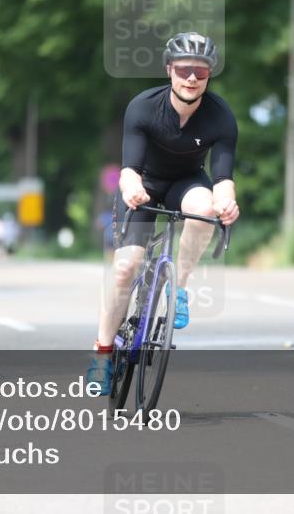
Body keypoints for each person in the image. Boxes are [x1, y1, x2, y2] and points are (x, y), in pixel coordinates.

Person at [87, 32, 240, 394]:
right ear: (169, 69)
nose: (191, 78)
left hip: (186, 183)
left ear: (209, 76)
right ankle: (103, 355)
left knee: (204, 210)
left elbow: (222, 179)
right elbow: (128, 170)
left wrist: (227, 202)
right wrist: (131, 189)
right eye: (184, 69)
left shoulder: (220, 117)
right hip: (143, 184)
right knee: (126, 268)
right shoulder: (143, 107)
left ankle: (180, 288)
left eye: (200, 72)